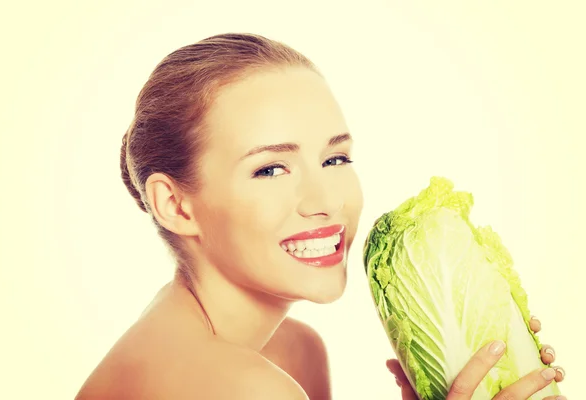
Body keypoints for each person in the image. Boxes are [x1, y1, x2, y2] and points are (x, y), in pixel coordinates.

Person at [75, 33, 566, 400]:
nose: (325, 199)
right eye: (270, 168)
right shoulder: (241, 386)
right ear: (176, 205)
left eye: (334, 159)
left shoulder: (291, 349)